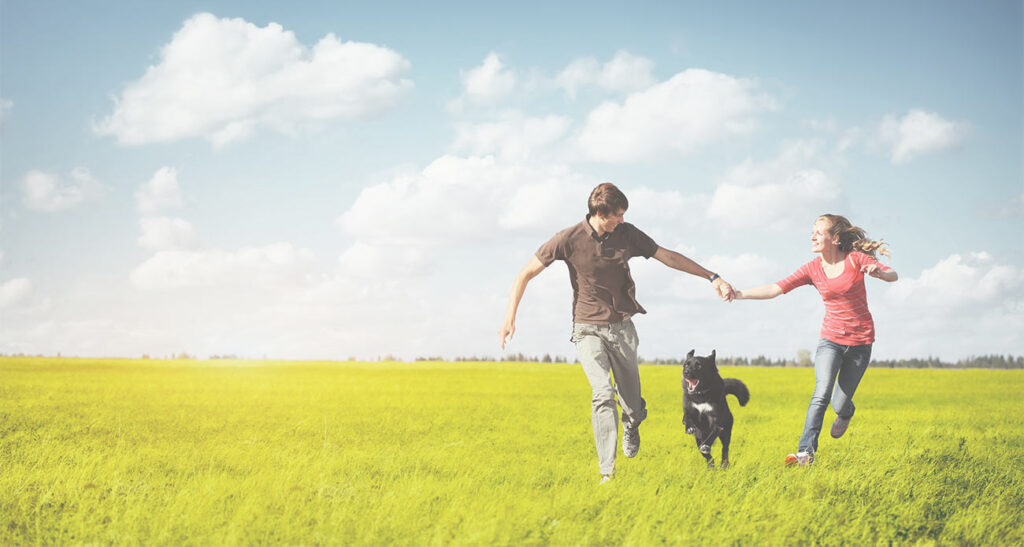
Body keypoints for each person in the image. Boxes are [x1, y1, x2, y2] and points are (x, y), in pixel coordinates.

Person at [498, 182, 735, 483]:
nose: (622, 220)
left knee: (633, 406)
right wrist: (509, 317)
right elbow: (525, 273)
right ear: (599, 212)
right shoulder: (567, 239)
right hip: (586, 328)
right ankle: (606, 472)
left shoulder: (627, 235)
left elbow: (668, 256)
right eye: (618, 215)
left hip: (622, 329)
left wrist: (711, 276)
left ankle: (632, 423)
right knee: (602, 394)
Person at [734, 214, 898, 466]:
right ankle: (805, 453)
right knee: (820, 394)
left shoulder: (855, 259)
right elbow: (776, 288)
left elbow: (892, 274)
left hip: (860, 343)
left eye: (818, 233)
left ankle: (846, 412)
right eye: (813, 232)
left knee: (839, 402)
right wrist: (739, 294)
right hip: (830, 340)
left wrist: (879, 272)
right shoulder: (812, 268)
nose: (812, 237)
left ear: (835, 238)